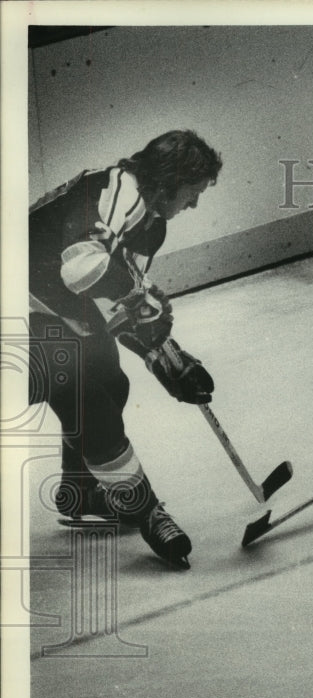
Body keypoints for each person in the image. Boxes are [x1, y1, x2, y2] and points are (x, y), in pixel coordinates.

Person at [28, 130, 222, 569]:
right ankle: (146, 509)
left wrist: (168, 360)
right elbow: (82, 269)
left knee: (110, 380)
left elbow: (120, 309)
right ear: (170, 181)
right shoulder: (118, 192)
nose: (193, 204)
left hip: (45, 307)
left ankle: (81, 491)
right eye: (192, 193)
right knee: (86, 396)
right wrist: (139, 298)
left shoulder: (151, 225)